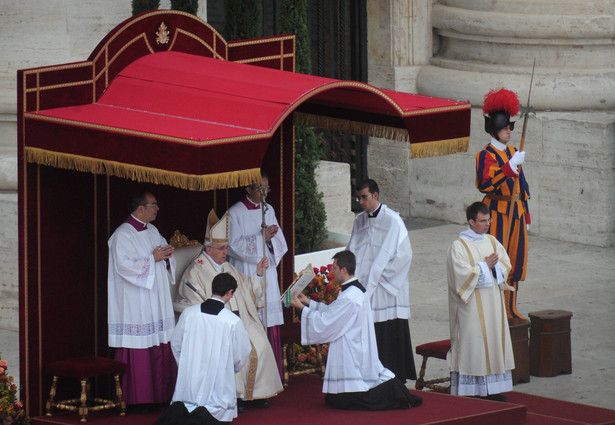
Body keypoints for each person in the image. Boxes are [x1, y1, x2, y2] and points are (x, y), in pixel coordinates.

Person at [176, 209, 283, 408]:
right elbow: (191, 302)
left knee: (259, 343)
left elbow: (247, 288)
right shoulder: (195, 271)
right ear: (209, 249)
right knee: (230, 348)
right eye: (222, 248)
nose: (226, 252)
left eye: (226, 247)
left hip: (238, 320)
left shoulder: (227, 267)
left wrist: (259, 273)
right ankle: (234, 395)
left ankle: (253, 395)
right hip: (215, 325)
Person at [289, 250, 422, 410]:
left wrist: (301, 308)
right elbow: (333, 312)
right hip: (354, 341)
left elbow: (328, 322)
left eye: (334, 268)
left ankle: (395, 395)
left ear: (343, 270)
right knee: (337, 399)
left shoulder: (351, 296)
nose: (332, 271)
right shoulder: (351, 290)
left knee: (352, 398)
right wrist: (309, 302)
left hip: (352, 347)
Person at [107, 191, 177, 408]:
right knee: (141, 344)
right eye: (154, 205)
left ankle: (162, 396)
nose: (158, 209)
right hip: (135, 300)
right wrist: (153, 258)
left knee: (159, 340)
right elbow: (124, 266)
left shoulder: (153, 230)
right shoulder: (122, 235)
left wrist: (167, 256)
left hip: (155, 296)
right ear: (140, 208)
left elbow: (163, 258)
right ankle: (141, 399)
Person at [154, 273, 252, 425]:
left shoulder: (189, 313)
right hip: (218, 385)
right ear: (230, 293)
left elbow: (176, 343)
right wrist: (229, 369)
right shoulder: (232, 321)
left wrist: (186, 364)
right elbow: (242, 353)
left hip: (189, 382)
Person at [346, 179, 417, 382]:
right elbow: (353, 250)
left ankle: (395, 377)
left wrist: (379, 279)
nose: (360, 201)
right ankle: (371, 376)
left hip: (387, 290)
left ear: (375, 196)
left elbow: (404, 256)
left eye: (364, 197)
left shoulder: (393, 220)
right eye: (358, 197)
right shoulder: (359, 220)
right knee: (370, 331)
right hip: (365, 286)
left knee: (388, 330)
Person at [447, 201, 515, 401]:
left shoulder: (492, 241)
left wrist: (494, 268)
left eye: (489, 220)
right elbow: (460, 275)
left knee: (493, 341)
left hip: (493, 305)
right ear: (471, 222)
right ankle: (474, 391)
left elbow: (506, 264)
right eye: (483, 221)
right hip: (471, 309)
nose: (487, 224)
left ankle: (492, 389)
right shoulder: (458, 247)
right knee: (474, 345)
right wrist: (484, 266)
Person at [476, 87, 531, 320]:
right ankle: (496, 308)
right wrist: (509, 167)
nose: (509, 131)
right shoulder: (485, 154)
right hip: (497, 213)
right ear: (495, 131)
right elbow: (486, 184)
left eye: (510, 128)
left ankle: (511, 308)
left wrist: (526, 214)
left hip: (516, 212)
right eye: (505, 128)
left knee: (517, 261)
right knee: (499, 259)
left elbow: (523, 187)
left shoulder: (513, 151)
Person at [227, 173, 288, 376]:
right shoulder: (234, 213)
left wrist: (269, 241)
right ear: (248, 189)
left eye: (267, 189)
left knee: (267, 320)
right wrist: (260, 238)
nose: (264, 193)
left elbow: (279, 242)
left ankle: (270, 376)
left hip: (267, 271)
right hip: (246, 272)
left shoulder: (268, 210)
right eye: (260, 189)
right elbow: (232, 247)